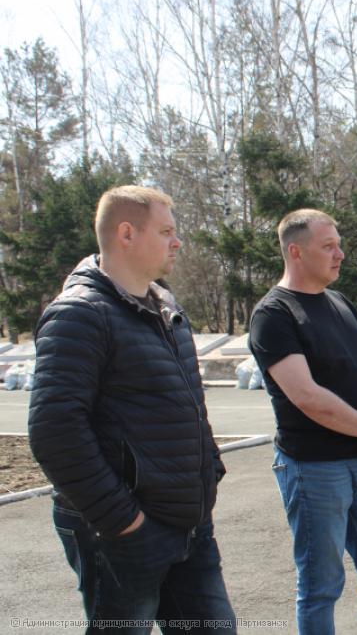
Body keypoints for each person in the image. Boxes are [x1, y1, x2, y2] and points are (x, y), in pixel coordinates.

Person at [28, 185, 236, 633]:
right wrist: (125, 522)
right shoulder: (80, 314)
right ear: (126, 233)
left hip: (188, 523)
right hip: (124, 532)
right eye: (165, 232)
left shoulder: (166, 308)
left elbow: (187, 406)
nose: (177, 242)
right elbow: (55, 430)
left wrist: (209, 471)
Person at [248, 209, 357, 635]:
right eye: (329, 246)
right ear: (296, 252)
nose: (340, 254)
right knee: (321, 586)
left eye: (339, 245)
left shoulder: (341, 303)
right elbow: (306, 397)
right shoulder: (274, 314)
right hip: (314, 470)